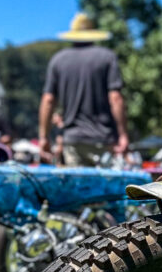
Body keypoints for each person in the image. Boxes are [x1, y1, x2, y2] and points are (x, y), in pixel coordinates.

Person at [39, 13, 129, 167]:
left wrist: (44, 137)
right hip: (102, 139)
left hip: (73, 140)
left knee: (77, 188)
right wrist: (123, 134)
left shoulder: (58, 60)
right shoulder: (107, 57)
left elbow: (48, 100)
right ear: (92, 34)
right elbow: (115, 98)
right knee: (105, 189)